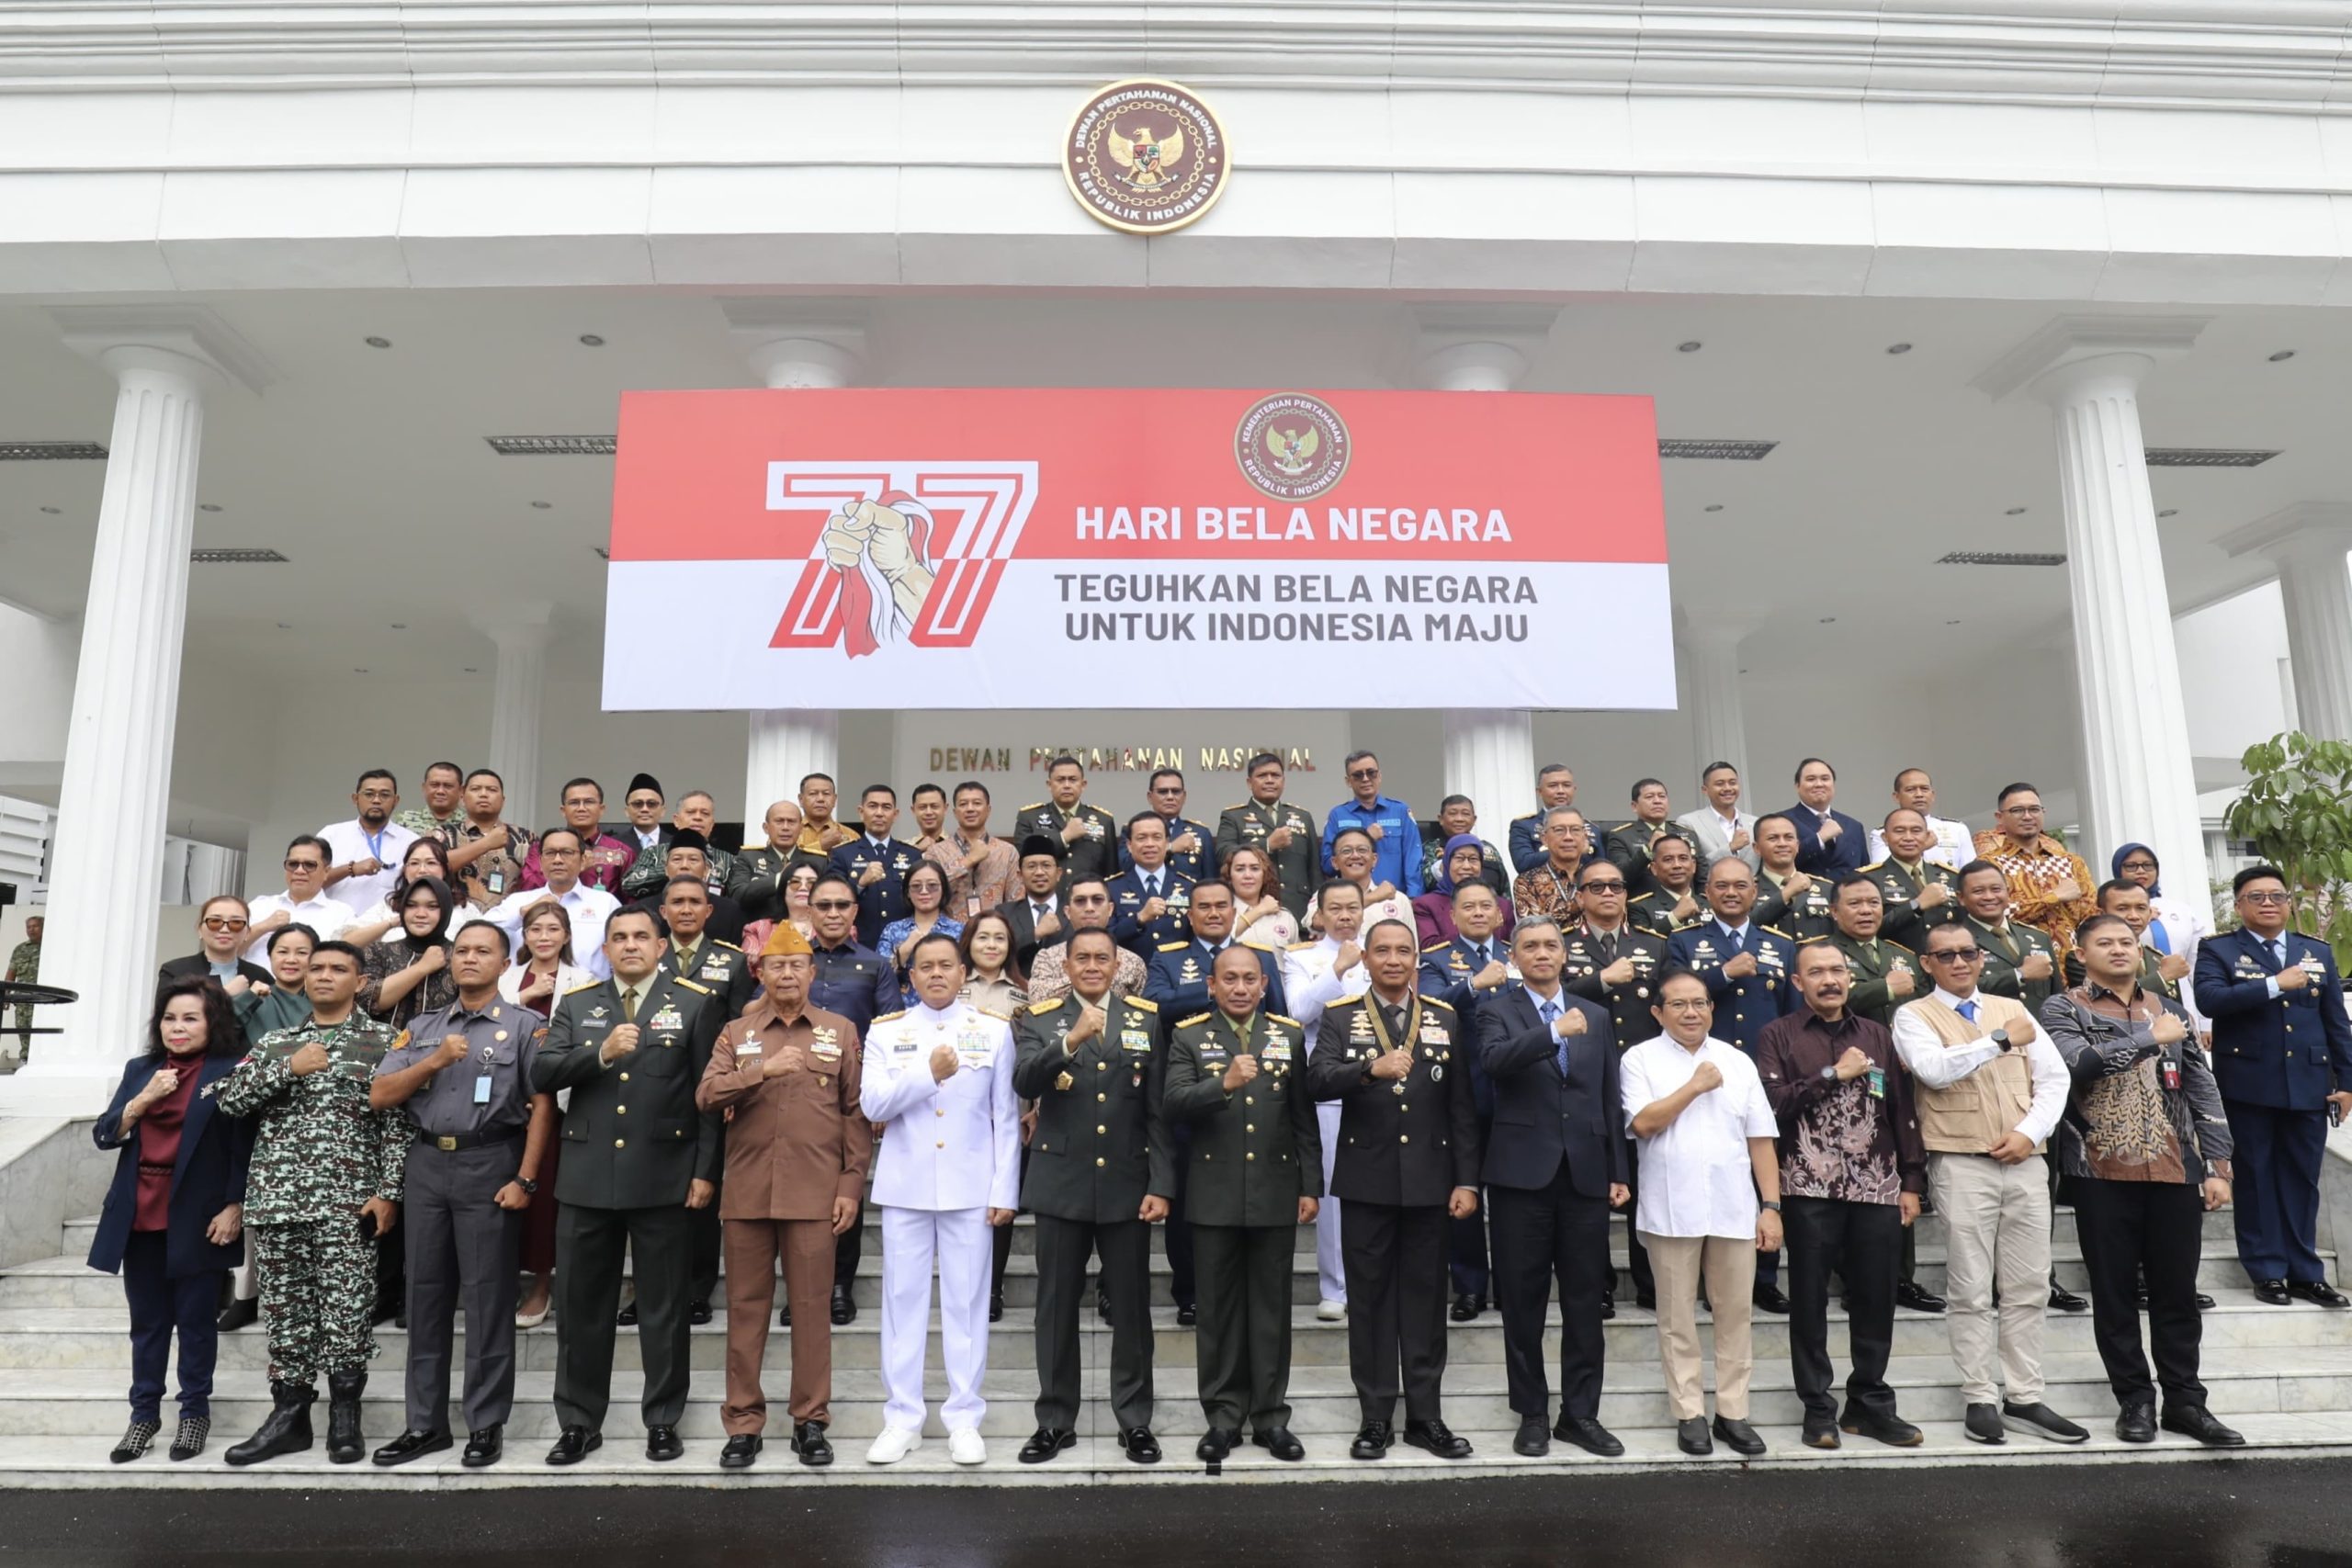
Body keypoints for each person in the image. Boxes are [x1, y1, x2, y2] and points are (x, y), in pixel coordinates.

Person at [531, 908, 722, 1465]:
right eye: (619, 937)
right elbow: (542, 1073)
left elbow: (707, 1098)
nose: (631, 945)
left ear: (661, 946)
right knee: (581, 1311)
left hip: (664, 1177)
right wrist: (600, 1053)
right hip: (587, 1179)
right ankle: (578, 1422)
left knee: (664, 1310)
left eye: (641, 936)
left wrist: (705, 1171)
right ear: (606, 948)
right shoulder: (577, 1003)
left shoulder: (694, 1002)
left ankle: (662, 1420)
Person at [2043, 913, 2244, 1447]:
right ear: (2081, 954)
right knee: (2113, 1293)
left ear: (2141, 951)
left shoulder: (2170, 1008)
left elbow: (2201, 1086)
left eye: (2127, 942)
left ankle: (2186, 1402)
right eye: (2104, 943)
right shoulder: (2063, 1008)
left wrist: (2218, 1165)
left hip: (2176, 1168)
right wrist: (2147, 1038)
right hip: (2099, 1170)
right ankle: (2134, 1400)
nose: (2118, 950)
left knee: (2177, 1292)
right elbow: (2074, 1065)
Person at [368, 922, 554, 1470]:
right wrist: (433, 1061)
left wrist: (525, 1180)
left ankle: (485, 1423)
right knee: (424, 1297)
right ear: (450, 962)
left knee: (488, 1297)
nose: (470, 958)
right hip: (427, 1164)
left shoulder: (524, 1026)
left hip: (490, 1161)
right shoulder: (422, 1027)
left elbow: (542, 1106)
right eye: (462, 951)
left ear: (504, 964)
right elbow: (379, 1094)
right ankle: (424, 1424)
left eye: (483, 951)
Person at [1890, 921, 2086, 1445]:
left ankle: (2024, 1396)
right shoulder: (1913, 1015)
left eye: (1968, 953)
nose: (1960, 962)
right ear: (1926, 964)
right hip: (1960, 1160)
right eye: (1946, 955)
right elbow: (1933, 1070)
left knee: (2029, 1284)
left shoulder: (2012, 1008)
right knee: (1971, 1286)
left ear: (1981, 958)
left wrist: (2029, 1133)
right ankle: (1979, 1396)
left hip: (2025, 1159)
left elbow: (2054, 1079)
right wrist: (1998, 1041)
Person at [215, 941, 409, 1467]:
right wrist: (289, 1069)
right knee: (286, 1315)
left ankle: (345, 1416)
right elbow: (229, 1099)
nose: (323, 975)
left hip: (349, 1203)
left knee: (348, 1312)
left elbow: (397, 1125)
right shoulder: (278, 1041)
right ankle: (290, 1417)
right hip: (279, 1201)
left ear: (359, 981)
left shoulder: (385, 1041)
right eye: (316, 967)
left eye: (337, 969)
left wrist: (388, 1191)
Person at [696, 923, 874, 1470]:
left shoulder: (840, 1031)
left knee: (812, 1312)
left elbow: (855, 1114)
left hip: (815, 1195)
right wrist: (760, 1071)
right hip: (748, 1194)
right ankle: (743, 1424)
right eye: (777, 965)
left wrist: (851, 1186)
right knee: (745, 1311)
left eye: (797, 964)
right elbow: (706, 1094)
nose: (788, 974)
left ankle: (810, 1421)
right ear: (761, 972)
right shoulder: (737, 1033)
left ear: (812, 972)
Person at [1304, 919, 1481, 1461]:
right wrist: (1367, 1069)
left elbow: (1461, 1106)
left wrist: (1467, 1179)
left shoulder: (1444, 1016)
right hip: (1368, 1180)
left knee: (1426, 1301)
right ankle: (1376, 1417)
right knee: (1371, 1302)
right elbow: (1315, 1079)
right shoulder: (1340, 1016)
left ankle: (1426, 1416)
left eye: (1404, 950)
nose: (1394, 960)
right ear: (1366, 959)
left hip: (1431, 1180)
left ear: (1416, 958)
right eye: (1382, 951)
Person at [1756, 942, 1927, 1449]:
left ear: (1850, 978)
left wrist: (1911, 1182)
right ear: (1798, 982)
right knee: (1809, 1300)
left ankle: (1869, 1404)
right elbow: (1771, 1106)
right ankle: (1817, 1407)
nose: (1829, 980)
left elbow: (1901, 1110)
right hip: (1808, 1187)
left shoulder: (1876, 1034)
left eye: (1837, 970)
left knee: (1876, 1296)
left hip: (1877, 1185)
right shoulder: (1777, 1035)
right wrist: (1834, 1074)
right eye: (1817, 972)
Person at [1012, 927, 1172, 1464]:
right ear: (1066, 966)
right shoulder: (1040, 1018)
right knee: (1056, 1308)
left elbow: (1156, 1110)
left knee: (1131, 1309)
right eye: (1081, 958)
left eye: (1102, 958)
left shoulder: (1145, 1019)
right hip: (1061, 1182)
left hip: (1128, 1182)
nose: (1092, 966)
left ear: (1116, 965)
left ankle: (1135, 1421)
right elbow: (1024, 1081)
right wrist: (1071, 1040)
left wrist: (1161, 1184)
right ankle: (1055, 1421)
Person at [860, 933, 1021, 1465]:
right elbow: (873, 1105)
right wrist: (926, 1074)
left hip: (970, 1186)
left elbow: (1005, 1117)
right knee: (901, 1304)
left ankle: (964, 1418)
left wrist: (1005, 1190)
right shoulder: (888, 1031)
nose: (935, 974)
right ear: (910, 978)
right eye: (925, 967)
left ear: (961, 972)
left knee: (967, 1305)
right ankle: (902, 1417)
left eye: (945, 965)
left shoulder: (992, 1030)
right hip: (906, 1186)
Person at [1474, 916, 1628, 1459]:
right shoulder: (1496, 1010)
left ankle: (1580, 1414)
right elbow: (1494, 1063)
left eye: (1551, 945)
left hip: (1584, 1174)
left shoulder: (1596, 1015)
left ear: (1565, 955)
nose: (1542, 953)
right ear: (1514, 958)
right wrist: (1552, 1033)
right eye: (1530, 946)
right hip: (1521, 1176)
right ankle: (1532, 1413)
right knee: (1523, 1302)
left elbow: (1608, 1095)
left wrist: (1618, 1171)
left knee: (1586, 1301)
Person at [1163, 944, 1319, 1462]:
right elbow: (1173, 1103)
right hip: (1213, 1194)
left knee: (1272, 1311)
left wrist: (1310, 1185)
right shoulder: (1188, 1036)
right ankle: (1223, 1417)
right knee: (1218, 1312)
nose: (1240, 987)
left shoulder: (1287, 1035)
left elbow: (1302, 1117)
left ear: (1263, 984)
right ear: (1211, 985)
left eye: (1250, 978)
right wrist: (1222, 1084)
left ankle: (1271, 1418)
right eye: (1229, 978)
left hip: (1275, 1190)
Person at [89, 977, 252, 1464]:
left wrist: (235, 1205)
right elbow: (105, 1134)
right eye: (169, 1018)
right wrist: (143, 1099)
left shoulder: (231, 1069)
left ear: (212, 1023)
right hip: (138, 1211)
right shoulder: (141, 1069)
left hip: (199, 1216)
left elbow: (243, 1145)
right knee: (148, 1325)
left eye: (190, 1018)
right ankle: (143, 1417)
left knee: (197, 1323)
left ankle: (194, 1413)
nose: (177, 1028)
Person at [1621, 968, 1781, 1457]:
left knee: (1735, 1314)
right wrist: (1694, 1086)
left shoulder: (1737, 1060)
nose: (1691, 1013)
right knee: (1676, 1318)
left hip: (1734, 1207)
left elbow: (1761, 1138)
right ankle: (1689, 1413)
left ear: (1712, 1008)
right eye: (1679, 1004)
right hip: (1672, 1210)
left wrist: (1771, 1206)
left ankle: (1733, 1412)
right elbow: (1643, 1123)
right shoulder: (1639, 1059)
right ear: (1658, 1012)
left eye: (1700, 1003)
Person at [2197, 864, 2352, 1309]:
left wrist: (2347, 1083)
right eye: (2257, 896)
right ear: (2239, 905)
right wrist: (2273, 984)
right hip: (2248, 1084)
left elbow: (2336, 1022)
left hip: (2309, 1084)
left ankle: (2306, 1273)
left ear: (2288, 903)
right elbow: (2211, 1000)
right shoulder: (2219, 950)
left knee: (2303, 1181)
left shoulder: (2315, 951)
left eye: (2277, 896)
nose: (2268, 903)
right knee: (2257, 1178)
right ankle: (2267, 1270)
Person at [1665, 857, 1794, 1307]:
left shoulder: (1780, 944)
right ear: (1707, 892)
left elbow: (1791, 1015)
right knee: (1710, 1172)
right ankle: (1710, 1279)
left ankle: (1764, 1279)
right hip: (1703, 1075)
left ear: (1756, 891)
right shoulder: (1684, 941)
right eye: (1721, 886)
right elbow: (1672, 993)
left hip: (1763, 1074)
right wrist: (1722, 974)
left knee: (1762, 1175)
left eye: (1741, 885)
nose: (1732, 893)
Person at [1561, 861, 1668, 1309]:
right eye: (1597, 886)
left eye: (1616, 886)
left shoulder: (1654, 945)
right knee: (1591, 1186)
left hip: (1643, 1077)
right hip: (1585, 1074)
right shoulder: (1562, 944)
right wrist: (1602, 979)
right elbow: (1553, 1000)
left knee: (1645, 1182)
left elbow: (1668, 1005)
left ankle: (1649, 1283)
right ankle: (1598, 1286)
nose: (1608, 893)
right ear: (1580, 896)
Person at [1416, 880, 1513, 1323]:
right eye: (1468, 907)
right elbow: (1428, 1008)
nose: (1478, 913)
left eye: (1485, 906)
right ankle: (1470, 1287)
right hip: (1461, 1097)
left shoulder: (1517, 954)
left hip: (1515, 1097)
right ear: (1452, 916)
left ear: (1499, 914)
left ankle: (1511, 1286)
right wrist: (1473, 984)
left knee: (1512, 1199)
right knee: (1464, 1193)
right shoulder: (1437, 960)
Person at [1283, 879, 1372, 1323]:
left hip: (1384, 1083)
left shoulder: (1383, 949)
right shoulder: (1302, 957)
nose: (1344, 915)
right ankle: (1335, 1286)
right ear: (1318, 914)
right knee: (1334, 1194)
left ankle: (1372, 1284)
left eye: (1352, 907)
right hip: (1330, 1088)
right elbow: (1298, 1013)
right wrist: (1338, 968)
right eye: (1335, 908)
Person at [498, 898, 589, 1331]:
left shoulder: (582, 980)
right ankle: (500, 1280)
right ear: (525, 935)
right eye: (536, 929)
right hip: (503, 1101)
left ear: (566, 935)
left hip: (557, 1101)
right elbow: (488, 1019)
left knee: (544, 1197)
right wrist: (526, 996)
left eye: (553, 929)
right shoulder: (507, 977)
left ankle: (540, 1284)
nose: (544, 937)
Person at [1972, 784, 2099, 953]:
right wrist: (2053, 897)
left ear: (2043, 813)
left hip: (2071, 961)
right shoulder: (1988, 864)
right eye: (2017, 810)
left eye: (2034, 809)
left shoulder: (2071, 862)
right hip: (2018, 960)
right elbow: (1990, 914)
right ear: (1999, 817)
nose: (2027, 816)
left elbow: (2092, 916)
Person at [488, 829, 621, 982]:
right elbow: (480, 933)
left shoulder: (606, 903)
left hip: (591, 991)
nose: (557, 860)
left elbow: (620, 953)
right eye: (550, 853)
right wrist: (523, 913)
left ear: (583, 860)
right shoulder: (518, 901)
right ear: (540, 861)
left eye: (567, 852)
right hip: (524, 992)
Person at [1215, 753, 1321, 921]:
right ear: (1249, 782)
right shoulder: (1233, 816)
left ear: (1283, 781)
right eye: (1262, 775)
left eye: (1275, 775)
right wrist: (1267, 845)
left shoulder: (1303, 817)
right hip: (1251, 912)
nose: (1270, 780)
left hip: (1298, 911)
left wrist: (1317, 912)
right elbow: (1224, 854)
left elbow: (1315, 871)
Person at [1958, 858, 2063, 1014]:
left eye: (1996, 889)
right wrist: (2019, 975)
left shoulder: (2039, 938)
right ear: (1961, 898)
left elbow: (2057, 998)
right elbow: (1956, 991)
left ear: (2008, 892)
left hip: (2039, 1027)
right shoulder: (1954, 940)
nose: (1989, 896)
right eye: (1978, 891)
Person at [356, 875, 460, 1029]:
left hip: (444, 1043)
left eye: (432, 907)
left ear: (446, 910)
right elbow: (367, 1000)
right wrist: (421, 968)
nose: (420, 914)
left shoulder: (460, 956)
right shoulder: (379, 951)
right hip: (380, 1043)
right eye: (411, 905)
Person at [1818, 876, 1921, 1030]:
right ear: (1834, 911)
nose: (1866, 910)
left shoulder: (1906, 956)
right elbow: (1826, 1001)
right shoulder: (1821, 953)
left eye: (1874, 903)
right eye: (1854, 903)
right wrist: (1886, 988)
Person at [345, 838, 486, 947]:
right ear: (405, 870)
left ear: (444, 870)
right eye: (414, 863)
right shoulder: (389, 906)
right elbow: (347, 942)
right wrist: (391, 923)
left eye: (431, 863)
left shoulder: (463, 909)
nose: (422, 870)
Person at [1026, 878, 1147, 1004]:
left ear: (1110, 909)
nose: (1089, 908)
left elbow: (1142, 1010)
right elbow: (1037, 999)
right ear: (1067, 912)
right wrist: (1089, 976)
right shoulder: (1047, 958)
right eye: (1080, 901)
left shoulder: (1133, 962)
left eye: (1097, 900)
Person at [318, 769, 421, 916]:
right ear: (355, 799)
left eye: (385, 795)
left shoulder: (411, 841)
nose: (376, 800)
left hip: (388, 926)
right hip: (335, 923)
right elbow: (309, 882)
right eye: (369, 794)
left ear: (396, 801)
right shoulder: (331, 835)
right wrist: (350, 869)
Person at [1321, 750, 1423, 897]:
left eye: (1371, 773)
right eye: (1358, 775)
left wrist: (1414, 898)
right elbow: (1327, 865)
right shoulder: (1337, 815)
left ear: (1379, 776)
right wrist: (1366, 838)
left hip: (1394, 899)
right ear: (1348, 781)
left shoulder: (1400, 811)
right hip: (1351, 901)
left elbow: (1413, 859)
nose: (1365, 779)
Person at [829, 784, 919, 949]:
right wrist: (860, 883)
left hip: (902, 945)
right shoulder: (842, 854)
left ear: (895, 814)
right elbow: (832, 900)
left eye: (886, 807)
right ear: (861, 812)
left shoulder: (912, 854)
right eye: (873, 806)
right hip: (858, 946)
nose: (879, 813)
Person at [2114, 842, 2214, 989]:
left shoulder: (2181, 910)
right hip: (2136, 992)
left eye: (2148, 865)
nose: (2141, 871)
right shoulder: (2109, 912)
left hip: (2183, 995)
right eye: (2131, 866)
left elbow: (2196, 962)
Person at [655, 874, 754, 1021]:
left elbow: (738, 1023)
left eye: (695, 902)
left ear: (708, 911)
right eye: (677, 902)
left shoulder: (734, 961)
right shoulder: (648, 957)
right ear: (663, 911)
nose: (686, 910)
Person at [243, 835, 356, 964]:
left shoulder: (342, 914)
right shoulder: (260, 906)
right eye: (293, 864)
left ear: (326, 872)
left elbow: (346, 963)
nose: (299, 871)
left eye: (309, 865)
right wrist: (263, 927)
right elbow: (229, 953)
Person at [1866, 807, 1965, 953]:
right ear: (1885, 838)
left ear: (1927, 836)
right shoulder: (1868, 879)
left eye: (1916, 831)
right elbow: (1867, 929)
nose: (1908, 837)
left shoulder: (1952, 877)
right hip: (1899, 962)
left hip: (1948, 960)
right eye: (1899, 831)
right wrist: (1916, 905)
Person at [1014, 756, 1121, 883]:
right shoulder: (1029, 817)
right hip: (1046, 894)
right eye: (1060, 780)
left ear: (1083, 785)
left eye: (1073, 780)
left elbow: (1112, 873)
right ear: (1049, 785)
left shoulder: (1103, 820)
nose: (1066, 785)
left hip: (1088, 894)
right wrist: (1064, 837)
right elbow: (1025, 861)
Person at [519, 778, 633, 896]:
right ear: (563, 810)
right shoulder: (542, 849)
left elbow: (632, 901)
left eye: (589, 802)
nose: (581, 808)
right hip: (552, 906)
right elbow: (529, 890)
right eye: (574, 802)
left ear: (601, 809)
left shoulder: (622, 852)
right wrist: (574, 869)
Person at [438, 768, 532, 911]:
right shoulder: (444, 834)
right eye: (475, 789)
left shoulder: (526, 838)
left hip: (510, 920)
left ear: (503, 800)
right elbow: (433, 868)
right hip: (456, 918)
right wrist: (486, 843)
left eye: (492, 790)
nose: (483, 794)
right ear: (462, 797)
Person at [1108, 814, 1196, 957]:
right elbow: (1105, 938)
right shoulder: (1111, 888)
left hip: (1176, 970)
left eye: (1157, 837)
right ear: (1129, 845)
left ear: (1167, 843)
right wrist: (1139, 919)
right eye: (1141, 838)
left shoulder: (1189, 887)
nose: (1149, 844)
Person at [639, 831, 746, 948]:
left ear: (706, 870)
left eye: (693, 860)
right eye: (677, 859)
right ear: (666, 869)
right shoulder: (643, 910)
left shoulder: (730, 911)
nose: (684, 865)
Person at [731, 799, 828, 926]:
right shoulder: (749, 856)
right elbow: (737, 896)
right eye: (779, 821)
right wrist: (779, 879)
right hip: (761, 932)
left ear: (801, 828)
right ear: (766, 828)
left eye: (791, 822)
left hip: (807, 931)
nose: (785, 827)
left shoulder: (818, 861)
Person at [880, 860, 965, 1005]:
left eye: (932, 886)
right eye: (916, 886)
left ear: (943, 889)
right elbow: (879, 977)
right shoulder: (892, 930)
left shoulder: (959, 930)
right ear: (907, 892)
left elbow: (967, 975)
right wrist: (903, 952)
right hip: (902, 1010)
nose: (924, 891)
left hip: (948, 1007)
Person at [1604, 779, 1703, 898]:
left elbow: (1703, 878)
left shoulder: (1688, 834)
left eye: (1662, 796)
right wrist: (1647, 851)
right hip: (1645, 906)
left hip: (1687, 903)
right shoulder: (1621, 836)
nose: (1657, 801)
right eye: (1649, 797)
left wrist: (1701, 903)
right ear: (1634, 806)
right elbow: (1620, 878)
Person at [1414, 835, 1514, 948]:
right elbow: (1429, 946)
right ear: (1447, 863)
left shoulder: (1502, 906)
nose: (1466, 866)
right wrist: (1479, 930)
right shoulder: (1426, 905)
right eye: (1459, 859)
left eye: (1473, 859)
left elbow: (1513, 948)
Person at [1308, 829, 1414, 936]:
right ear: (1335, 862)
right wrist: (1374, 897)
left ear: (1374, 859)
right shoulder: (1323, 895)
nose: (1355, 856)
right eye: (1346, 851)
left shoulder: (1398, 899)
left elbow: (1411, 944)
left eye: (1362, 850)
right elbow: (1318, 922)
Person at [1865, 769, 1975, 869]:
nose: (1919, 794)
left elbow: (1970, 871)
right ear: (1896, 797)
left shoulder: (1956, 829)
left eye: (1924, 789)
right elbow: (1882, 872)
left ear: (1932, 795)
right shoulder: (1882, 832)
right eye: (1910, 790)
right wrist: (1922, 847)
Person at [158, 897, 272, 992]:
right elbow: (168, 1011)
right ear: (200, 929)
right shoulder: (175, 971)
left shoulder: (260, 976)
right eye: (215, 922)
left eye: (236, 923)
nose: (224, 929)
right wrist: (226, 993)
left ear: (247, 932)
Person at [1753, 814, 1837, 941]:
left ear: (1797, 846)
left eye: (1789, 838)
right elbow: (1744, 928)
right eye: (1773, 838)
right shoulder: (1747, 890)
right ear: (1757, 848)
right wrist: (1787, 893)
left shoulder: (1827, 889)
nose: (1782, 844)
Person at [998, 835, 1070, 976]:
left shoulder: (1073, 911)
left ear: (1058, 873)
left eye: (1046, 865)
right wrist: (1036, 934)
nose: (1039, 872)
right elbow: (999, 954)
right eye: (1031, 866)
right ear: (1020, 875)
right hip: (1019, 986)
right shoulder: (1004, 913)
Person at [1781, 758, 1866, 879]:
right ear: (1797, 786)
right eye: (1811, 779)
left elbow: (1864, 871)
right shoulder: (1782, 821)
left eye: (1825, 779)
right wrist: (1819, 838)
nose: (1819, 784)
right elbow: (1778, 862)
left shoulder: (1854, 826)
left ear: (1833, 785)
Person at [944, 780, 1019, 918]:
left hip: (994, 929)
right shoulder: (936, 851)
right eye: (963, 804)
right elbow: (932, 892)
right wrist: (969, 860)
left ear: (988, 810)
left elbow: (1016, 902)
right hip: (950, 929)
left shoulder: (1007, 851)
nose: (970, 809)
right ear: (955, 812)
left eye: (977, 803)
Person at [1129, 767, 1217, 882]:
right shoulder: (1132, 830)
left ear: (1184, 797)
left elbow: (1210, 882)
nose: (1170, 797)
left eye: (1176, 791)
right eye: (1163, 792)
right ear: (1150, 797)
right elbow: (1126, 866)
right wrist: (1171, 847)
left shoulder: (1201, 833)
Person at [1416, 795, 1507, 899]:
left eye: (1465, 814)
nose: (1459, 819)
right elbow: (1424, 882)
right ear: (1441, 819)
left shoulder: (1488, 849)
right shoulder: (1428, 848)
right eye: (1453, 813)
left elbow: (1504, 887)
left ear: (1474, 820)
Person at [1511, 807, 1590, 926]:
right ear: (1544, 839)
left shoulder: (1598, 879)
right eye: (1559, 830)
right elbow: (1532, 928)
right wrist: (1574, 907)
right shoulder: (1527, 882)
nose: (1568, 837)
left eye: (1575, 830)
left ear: (1585, 836)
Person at [1677, 761, 1757, 874]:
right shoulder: (1688, 822)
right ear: (1705, 790)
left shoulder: (1755, 823)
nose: (1728, 788)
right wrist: (1731, 847)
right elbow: (1691, 864)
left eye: (1732, 783)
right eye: (1720, 784)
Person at [1626, 835, 1706, 939]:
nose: (1677, 865)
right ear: (1654, 868)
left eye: (1683, 858)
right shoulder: (1640, 907)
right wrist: (1674, 918)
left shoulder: (1711, 904)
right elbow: (1642, 944)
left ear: (1694, 865)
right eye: (1668, 860)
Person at [615, 773, 677, 905]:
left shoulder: (676, 844)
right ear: (626, 811)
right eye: (638, 804)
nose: (644, 809)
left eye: (651, 804)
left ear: (663, 810)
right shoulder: (614, 845)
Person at [1224, 845, 1300, 953]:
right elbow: (1219, 941)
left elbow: (1296, 959)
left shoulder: (1284, 917)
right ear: (1229, 876)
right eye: (1240, 869)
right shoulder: (1221, 914)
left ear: (1265, 875)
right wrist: (1261, 909)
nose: (1248, 875)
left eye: (1255, 868)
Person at [1509, 763, 1577, 874]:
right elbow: (1523, 863)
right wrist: (1572, 850)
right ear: (1539, 792)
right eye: (1553, 786)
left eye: (1566, 785)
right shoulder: (1524, 826)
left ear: (1574, 789)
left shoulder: (1590, 829)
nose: (1561, 791)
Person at [394, 761, 468, 839]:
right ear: (424, 788)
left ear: (461, 790)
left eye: (448, 786)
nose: (440, 791)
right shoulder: (400, 821)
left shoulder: (470, 822)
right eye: (434, 785)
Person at [796, 772, 858, 859]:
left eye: (826, 794)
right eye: (813, 793)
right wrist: (820, 845)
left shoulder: (851, 836)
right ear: (801, 799)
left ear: (834, 799)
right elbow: (783, 862)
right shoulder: (788, 832)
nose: (820, 799)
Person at [6, 914, 40, 1065]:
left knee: (42, 1033)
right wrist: (5, 996)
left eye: (35, 926)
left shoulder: (51, 948)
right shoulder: (20, 949)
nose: (31, 930)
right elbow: (11, 973)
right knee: (23, 1030)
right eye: (29, 927)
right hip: (23, 1001)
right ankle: (25, 1061)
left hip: (44, 1000)